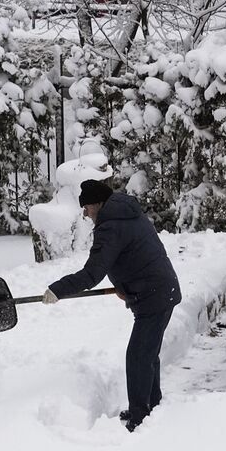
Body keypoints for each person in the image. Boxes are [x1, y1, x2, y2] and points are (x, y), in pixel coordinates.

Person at [44, 180, 181, 431]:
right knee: (147, 354)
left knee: (139, 356)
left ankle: (140, 418)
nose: (85, 213)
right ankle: (151, 405)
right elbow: (135, 255)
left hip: (153, 295)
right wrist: (126, 287)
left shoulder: (110, 226)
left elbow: (92, 273)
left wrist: (58, 289)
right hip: (158, 289)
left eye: (86, 207)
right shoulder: (126, 214)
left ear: (97, 203)